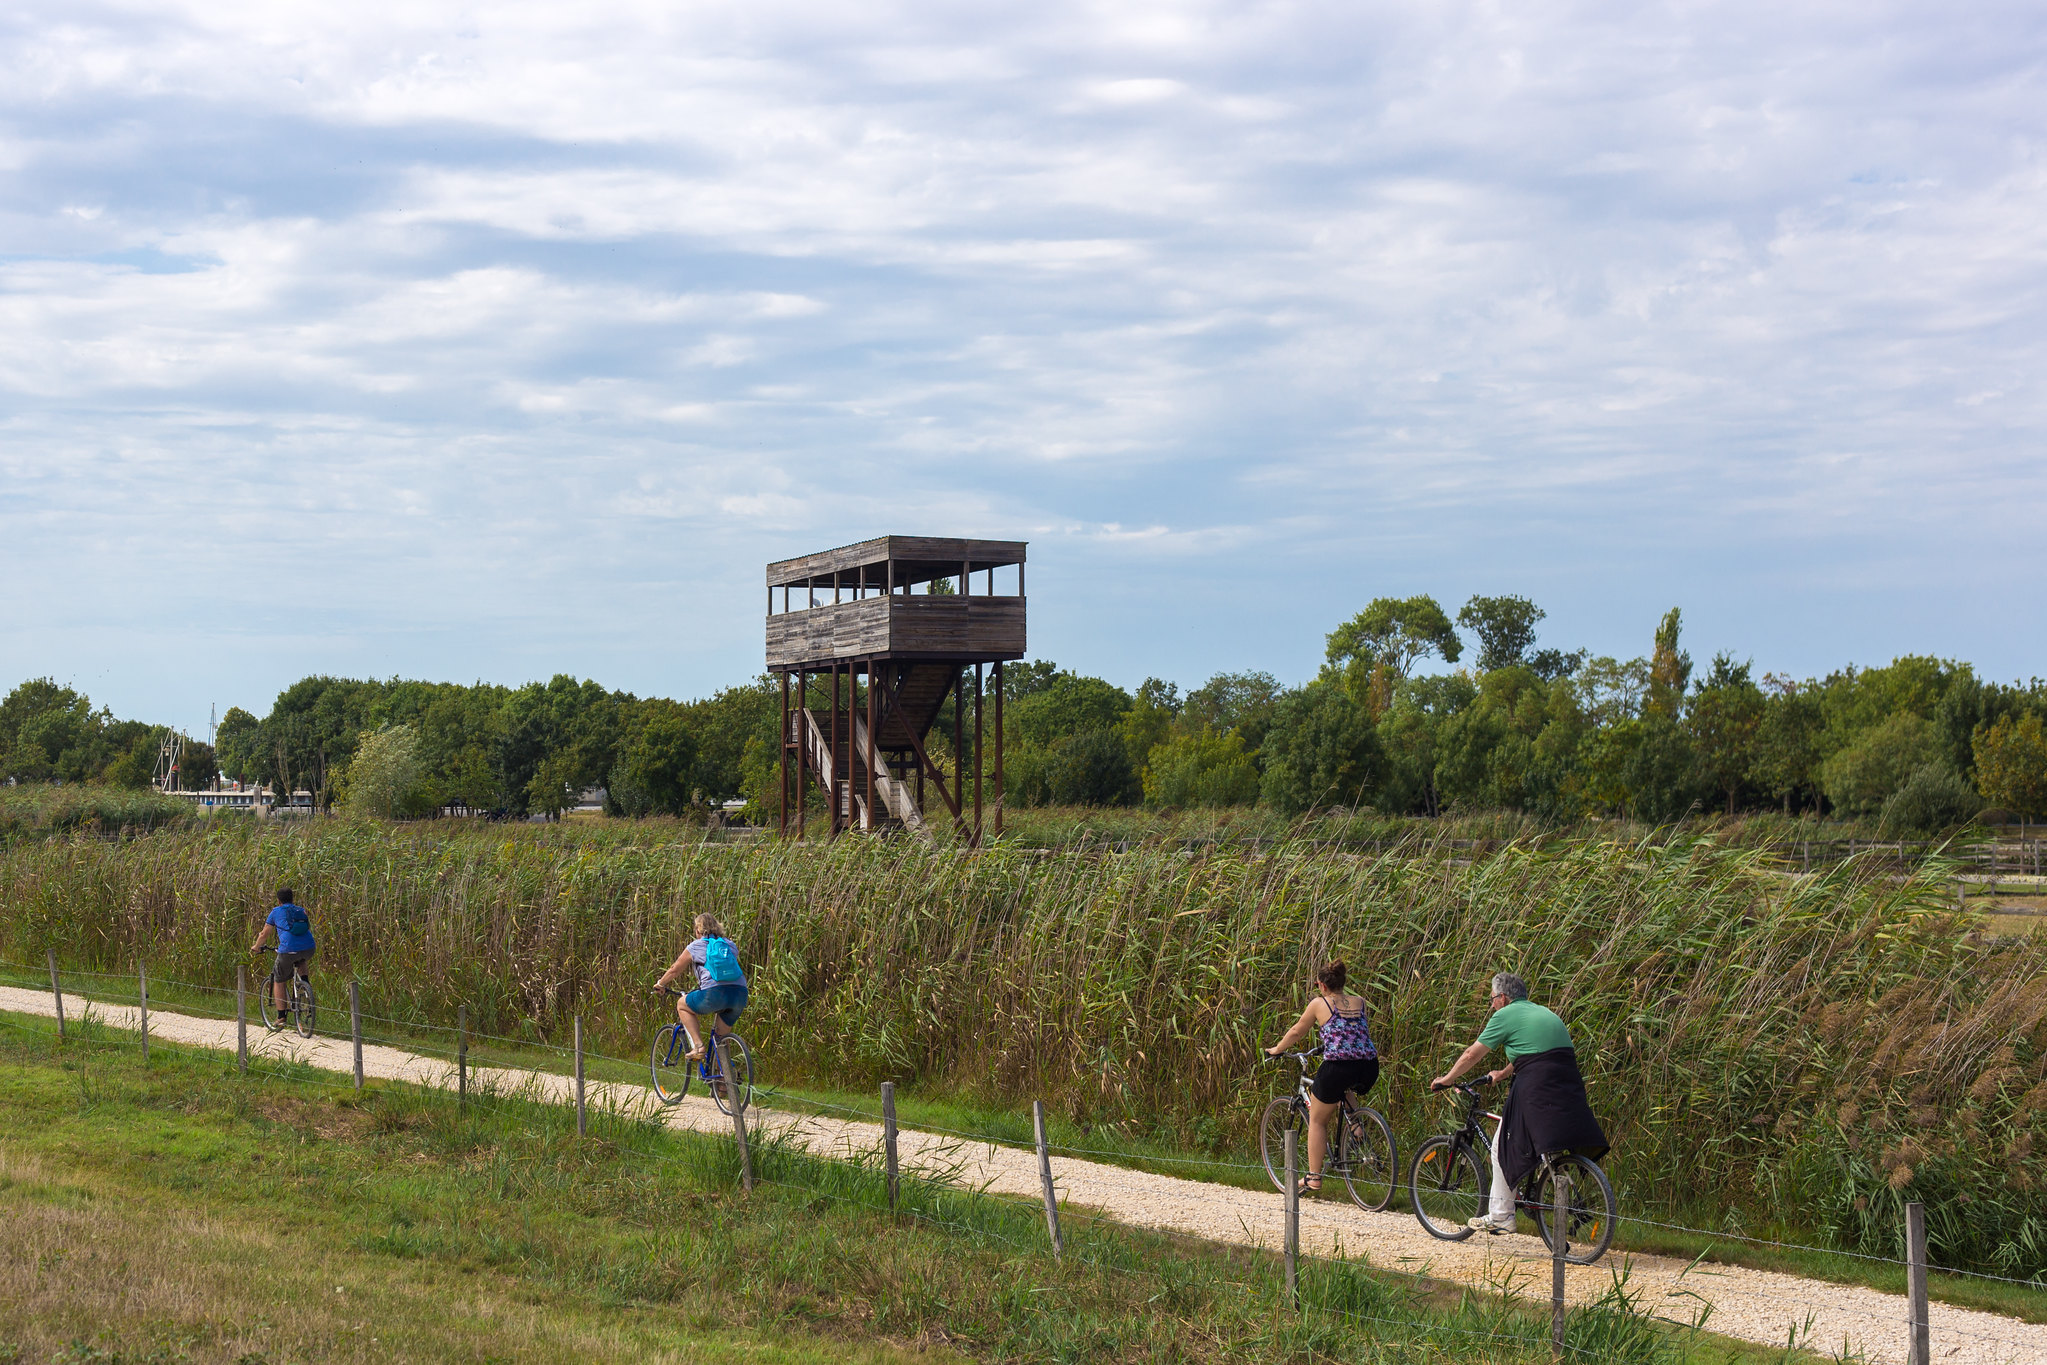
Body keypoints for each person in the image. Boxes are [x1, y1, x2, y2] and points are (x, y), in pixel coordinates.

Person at [1431, 971, 1608, 1233]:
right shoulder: (1544, 1013)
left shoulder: (1504, 1015)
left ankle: (1501, 1216)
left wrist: (1446, 1079)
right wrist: (1502, 1074)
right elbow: (1534, 1051)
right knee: (1550, 1144)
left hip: (1537, 1083)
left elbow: (1471, 1054)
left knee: (1502, 1145)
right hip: (1567, 1079)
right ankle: (1562, 1194)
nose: (1491, 1005)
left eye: (1492, 999)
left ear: (1503, 997)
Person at [1263, 960, 1381, 1195]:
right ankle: (1362, 1140)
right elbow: (1352, 1034)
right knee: (1344, 1091)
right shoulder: (1360, 1002)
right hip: (1369, 1066)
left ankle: (1314, 1177)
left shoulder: (1319, 1003)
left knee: (1317, 1120)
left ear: (1322, 985)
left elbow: (1297, 1031)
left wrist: (1276, 1049)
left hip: (1338, 1067)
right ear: (1342, 982)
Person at [654, 912, 748, 1062]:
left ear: (698, 930)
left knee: (682, 1004)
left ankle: (698, 1047)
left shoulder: (696, 946)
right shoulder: (730, 945)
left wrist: (660, 984)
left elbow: (675, 969)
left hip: (714, 993)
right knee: (721, 1040)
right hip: (740, 994)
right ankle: (724, 1082)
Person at [249, 887, 316, 1031]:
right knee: (301, 959)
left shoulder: (276, 912)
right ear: (292, 898)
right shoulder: (301, 910)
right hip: (310, 947)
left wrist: (256, 946)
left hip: (288, 950)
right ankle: (305, 987)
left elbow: (264, 934)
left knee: (279, 979)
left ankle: (281, 1017)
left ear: (278, 900)